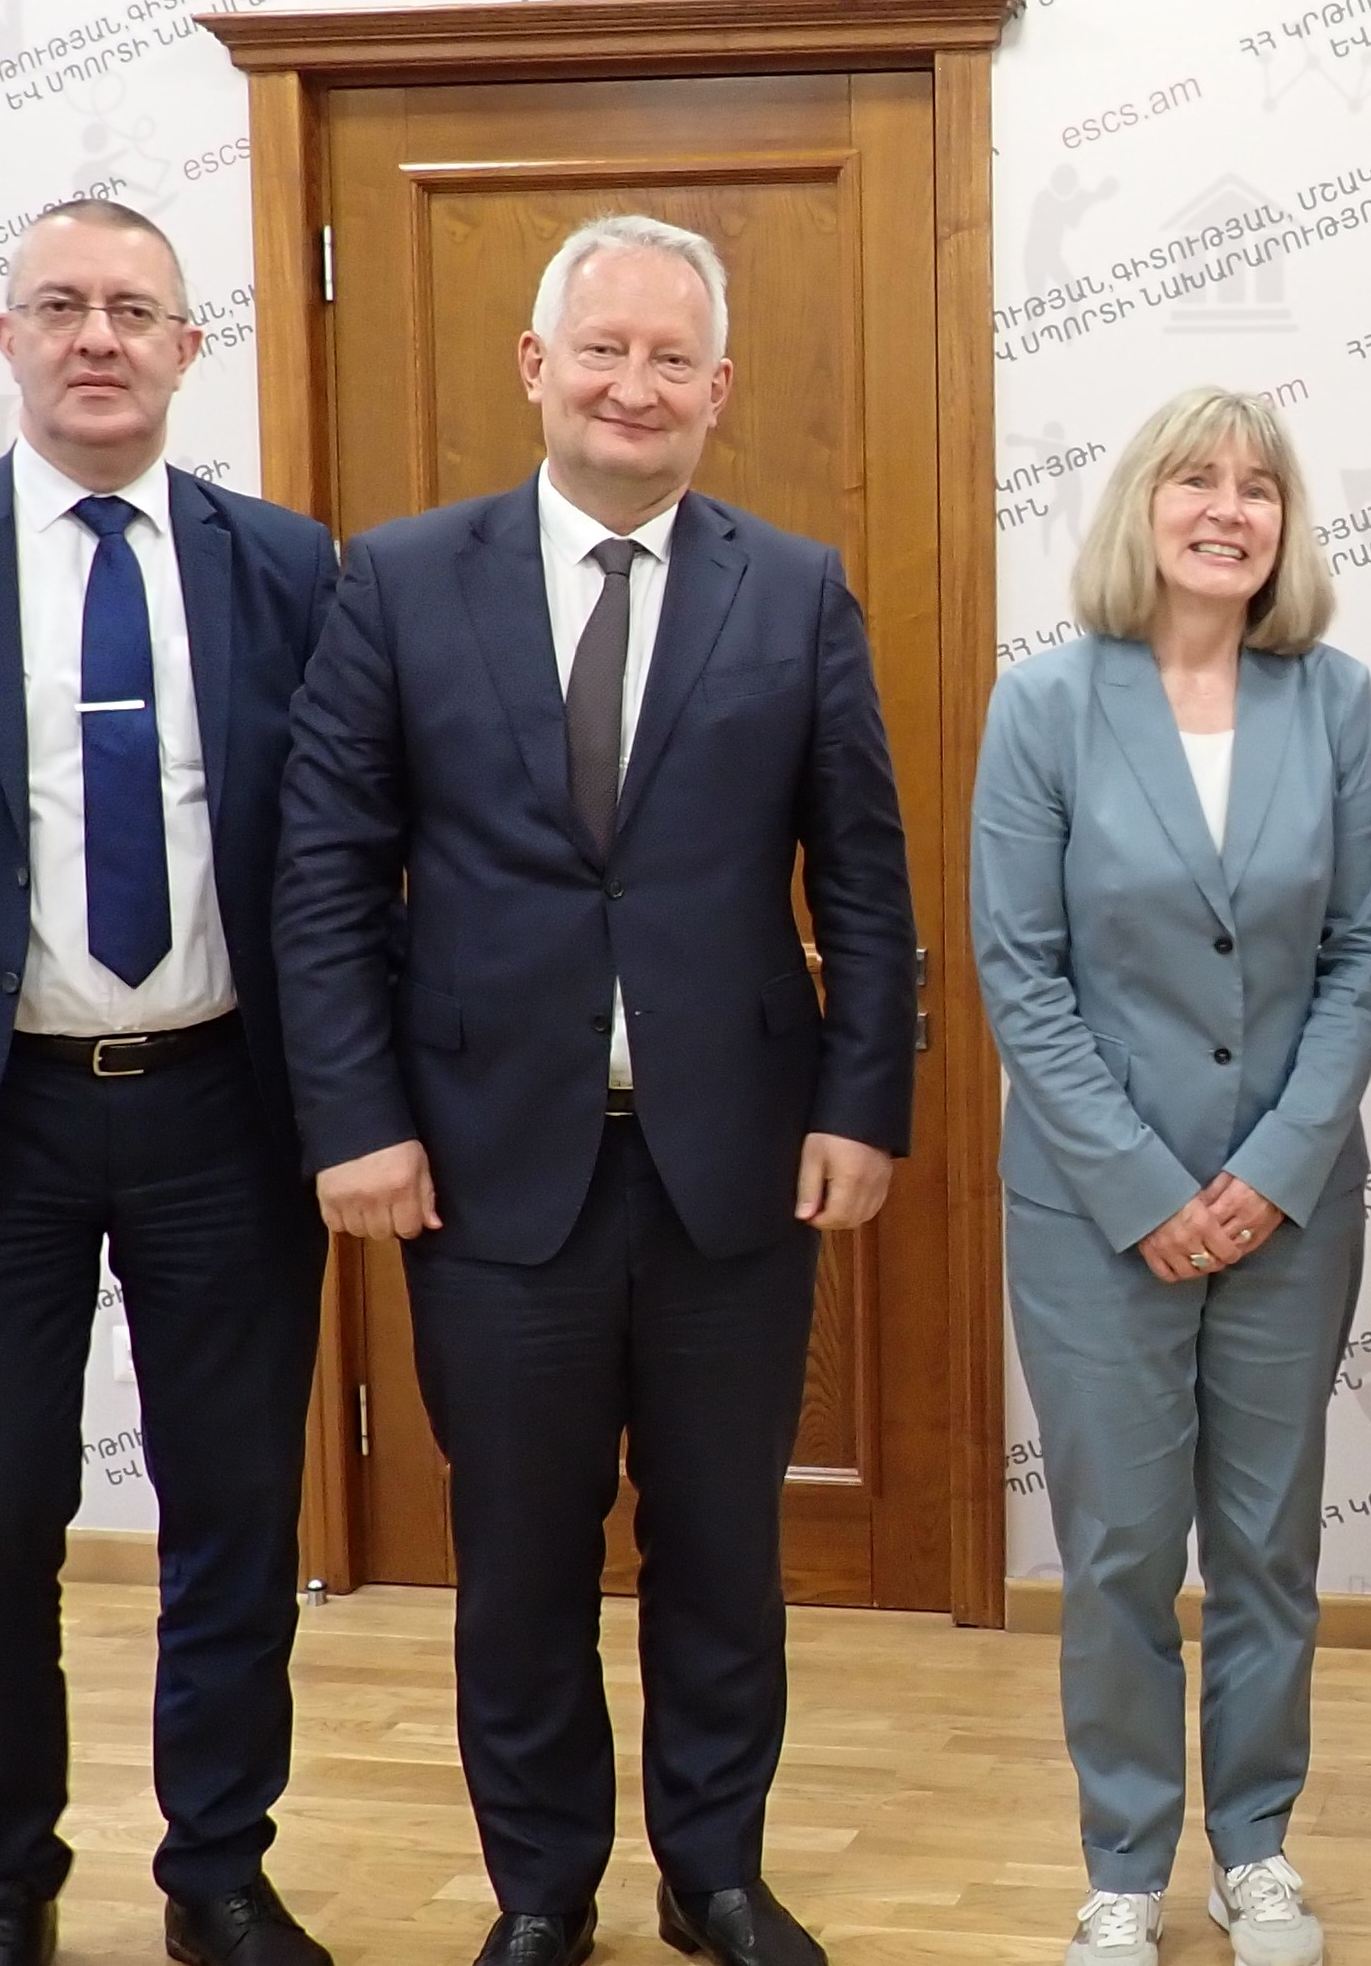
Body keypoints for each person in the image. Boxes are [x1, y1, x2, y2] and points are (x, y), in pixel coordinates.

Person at [274, 215, 917, 1966]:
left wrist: (866, 1102)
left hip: (735, 1170)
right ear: (536, 370)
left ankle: (714, 1872)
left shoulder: (792, 590)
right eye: (603, 349)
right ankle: (542, 1891)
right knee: (524, 1562)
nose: (634, 385)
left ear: (718, 391)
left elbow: (861, 875)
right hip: (487, 1177)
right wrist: (354, 1119)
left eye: (671, 359)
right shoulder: (399, 583)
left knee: (724, 1550)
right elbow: (325, 874)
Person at [0, 199, 343, 1966]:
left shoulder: (288, 566)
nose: (99, 338)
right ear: (6, 338)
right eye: (63, 307)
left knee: (238, 1514)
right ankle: (6, 1884)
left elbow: (333, 872)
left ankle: (220, 1874)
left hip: (223, 1114)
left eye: (136, 310)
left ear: (189, 345)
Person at [972, 387, 1371, 1966]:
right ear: (1140, 508)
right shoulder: (1047, 706)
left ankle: (1260, 1854)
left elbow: (1363, 951)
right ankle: (1122, 1868)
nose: (1227, 508)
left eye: (1258, 488)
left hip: (1291, 1209)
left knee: (1268, 1545)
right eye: (1194, 481)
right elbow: (1020, 975)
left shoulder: (1333, 697)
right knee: (1122, 1552)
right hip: (1098, 1217)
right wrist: (1148, 1189)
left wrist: (1275, 1170)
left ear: (1284, 527)